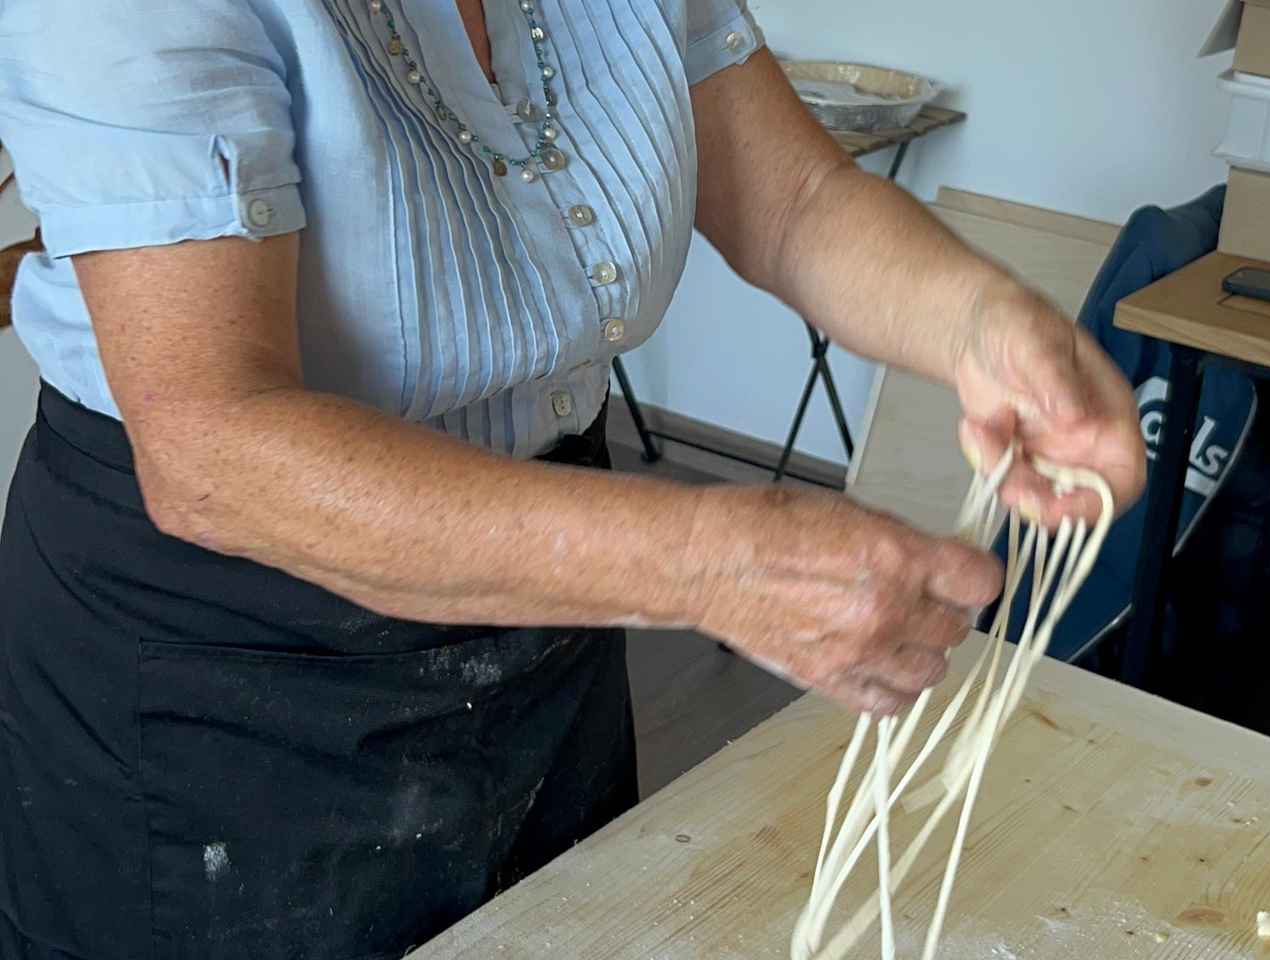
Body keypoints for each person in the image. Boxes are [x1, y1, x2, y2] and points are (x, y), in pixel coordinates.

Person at [0, 1, 1145, 957]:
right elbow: (214, 446)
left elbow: (795, 202)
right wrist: (709, 562)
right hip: (223, 673)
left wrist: (987, 325)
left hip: (548, 601)